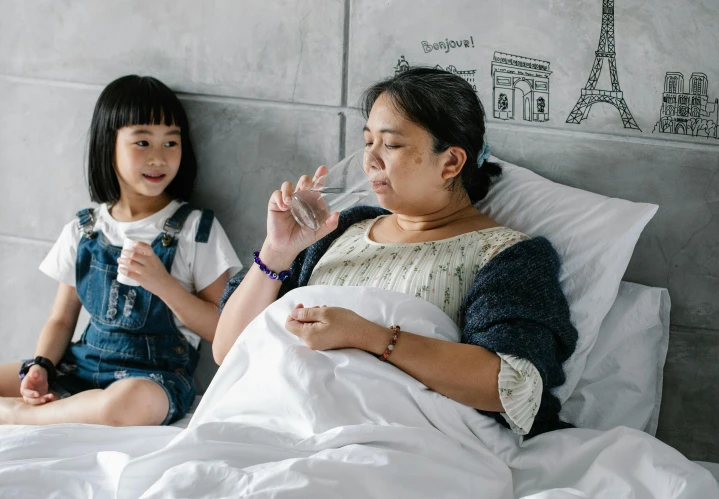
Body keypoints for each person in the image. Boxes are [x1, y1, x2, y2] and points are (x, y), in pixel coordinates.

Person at [214, 67, 577, 436]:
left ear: (451, 162)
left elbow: (508, 385)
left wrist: (369, 337)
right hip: (275, 424)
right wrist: (276, 252)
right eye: (368, 142)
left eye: (391, 144)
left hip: (399, 443)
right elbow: (229, 354)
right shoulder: (335, 232)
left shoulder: (507, 256)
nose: (369, 160)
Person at [0, 75, 242, 427]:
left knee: (124, 405)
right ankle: (50, 407)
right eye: (142, 142)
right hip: (83, 365)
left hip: (153, 379)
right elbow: (61, 319)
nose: (158, 157)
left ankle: (13, 417)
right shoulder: (84, 228)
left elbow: (221, 329)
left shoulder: (196, 229)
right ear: (109, 146)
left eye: (171, 143)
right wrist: (42, 366)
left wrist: (162, 284)